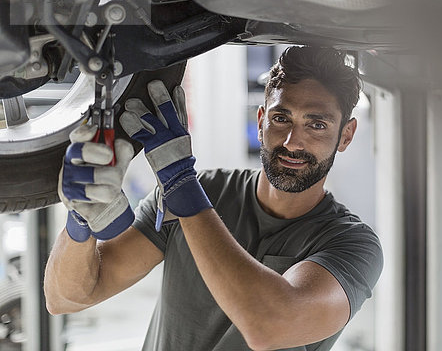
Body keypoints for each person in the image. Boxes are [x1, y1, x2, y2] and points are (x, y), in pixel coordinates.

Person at [44, 46, 383, 351]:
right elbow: (67, 298)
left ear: (346, 135)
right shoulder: (206, 190)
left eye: (317, 125)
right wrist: (79, 223)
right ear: (262, 120)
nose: (293, 141)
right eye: (281, 118)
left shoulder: (352, 244)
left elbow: (267, 326)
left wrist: (183, 189)